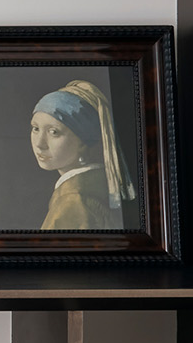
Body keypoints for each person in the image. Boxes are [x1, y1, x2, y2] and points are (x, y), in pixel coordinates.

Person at [29, 80, 135, 231]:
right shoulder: (96, 184)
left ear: (83, 142)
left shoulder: (73, 199)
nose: (40, 144)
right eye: (35, 128)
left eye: (54, 132)